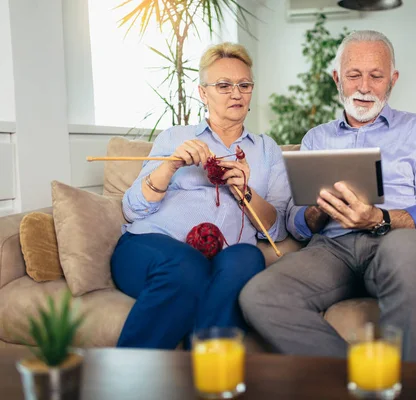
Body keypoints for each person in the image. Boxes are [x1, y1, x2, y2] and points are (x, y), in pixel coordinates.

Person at [240, 31, 416, 363]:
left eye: (376, 76)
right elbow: (295, 224)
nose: (365, 86)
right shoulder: (316, 138)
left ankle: (409, 388)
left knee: (412, 246)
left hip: (394, 240)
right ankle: (361, 379)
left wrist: (379, 218)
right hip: (332, 249)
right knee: (259, 295)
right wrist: (318, 212)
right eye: (354, 75)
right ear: (337, 78)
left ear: (393, 80)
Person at [111, 42, 290, 349]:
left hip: (226, 257)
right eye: (223, 85)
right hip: (151, 246)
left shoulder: (267, 149)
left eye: (244, 85)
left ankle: (211, 374)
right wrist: (168, 168)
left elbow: (276, 228)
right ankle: (130, 381)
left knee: (246, 258)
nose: (236, 93)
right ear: (203, 93)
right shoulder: (175, 137)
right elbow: (132, 210)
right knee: (187, 265)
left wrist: (245, 192)